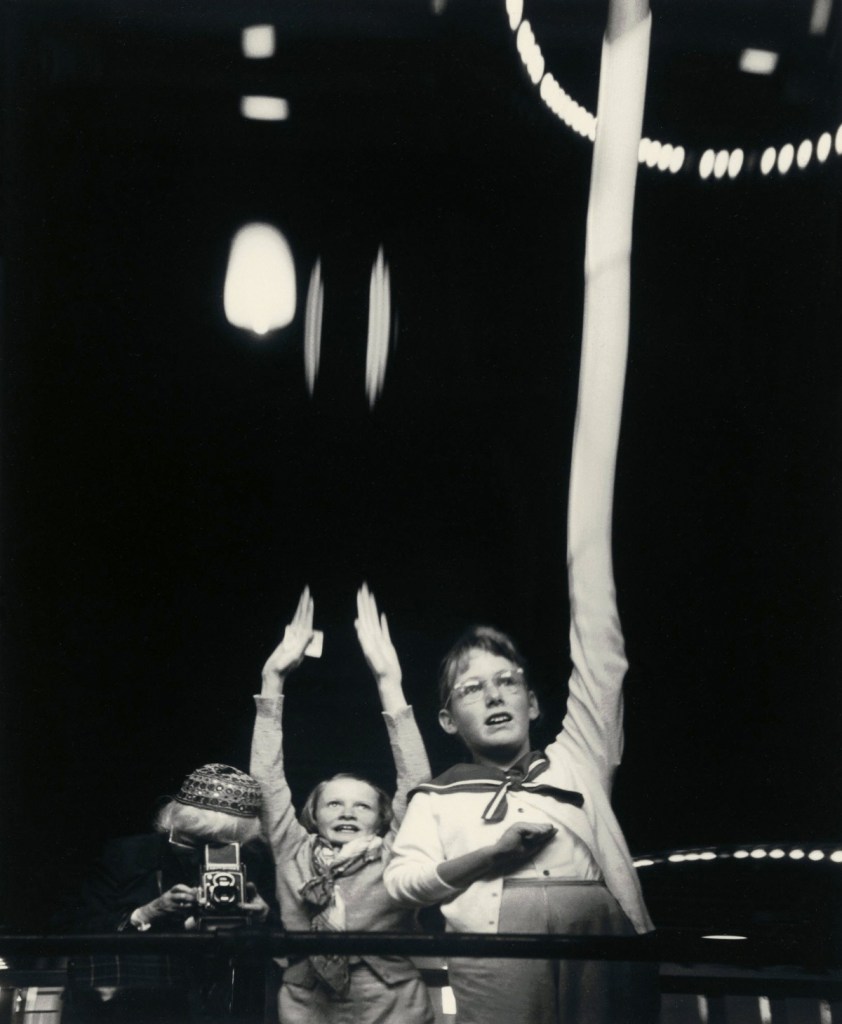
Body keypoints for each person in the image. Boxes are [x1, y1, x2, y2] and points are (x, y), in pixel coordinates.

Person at [382, 0, 657, 1021]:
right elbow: (407, 883)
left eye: (507, 679)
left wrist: (590, 528)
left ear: (536, 699)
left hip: (606, 969)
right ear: (445, 713)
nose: (495, 694)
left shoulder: (582, 750)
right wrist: (491, 850)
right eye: (472, 687)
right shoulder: (432, 800)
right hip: (495, 976)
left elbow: (600, 636)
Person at [249, 583, 435, 1024]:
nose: (348, 812)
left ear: (383, 817)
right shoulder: (293, 849)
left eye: (362, 806)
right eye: (334, 805)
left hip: (393, 1000)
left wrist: (390, 683)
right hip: (306, 999)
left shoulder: (394, 852)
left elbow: (417, 783)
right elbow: (267, 779)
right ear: (312, 814)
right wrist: (271, 679)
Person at [61, 763, 276, 1023]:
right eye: (191, 841)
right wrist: (149, 912)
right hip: (128, 1006)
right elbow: (76, 929)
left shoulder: (251, 861)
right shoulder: (127, 855)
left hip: (216, 1001)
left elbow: (278, 941)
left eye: (219, 845)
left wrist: (262, 918)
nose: (203, 854)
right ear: (172, 823)